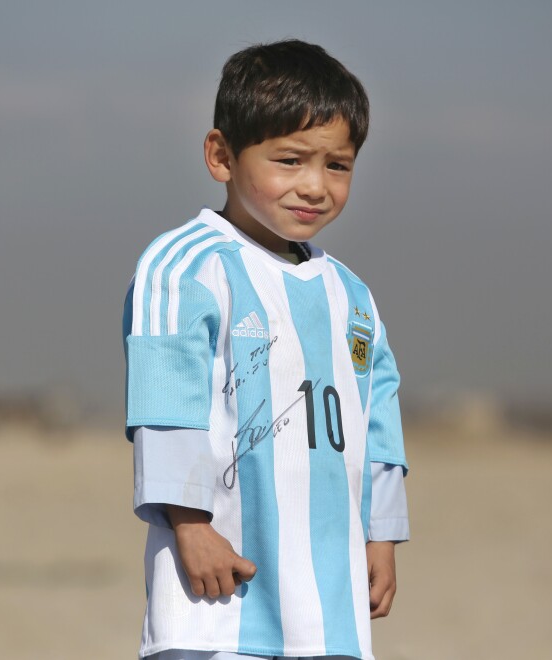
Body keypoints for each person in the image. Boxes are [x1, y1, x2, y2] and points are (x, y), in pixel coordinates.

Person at [122, 40, 409, 660]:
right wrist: (190, 527)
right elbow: (166, 402)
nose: (314, 186)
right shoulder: (186, 265)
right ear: (221, 155)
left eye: (338, 165)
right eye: (289, 160)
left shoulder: (351, 294)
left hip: (330, 605)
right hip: (219, 594)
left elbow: (376, 416)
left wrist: (380, 537)